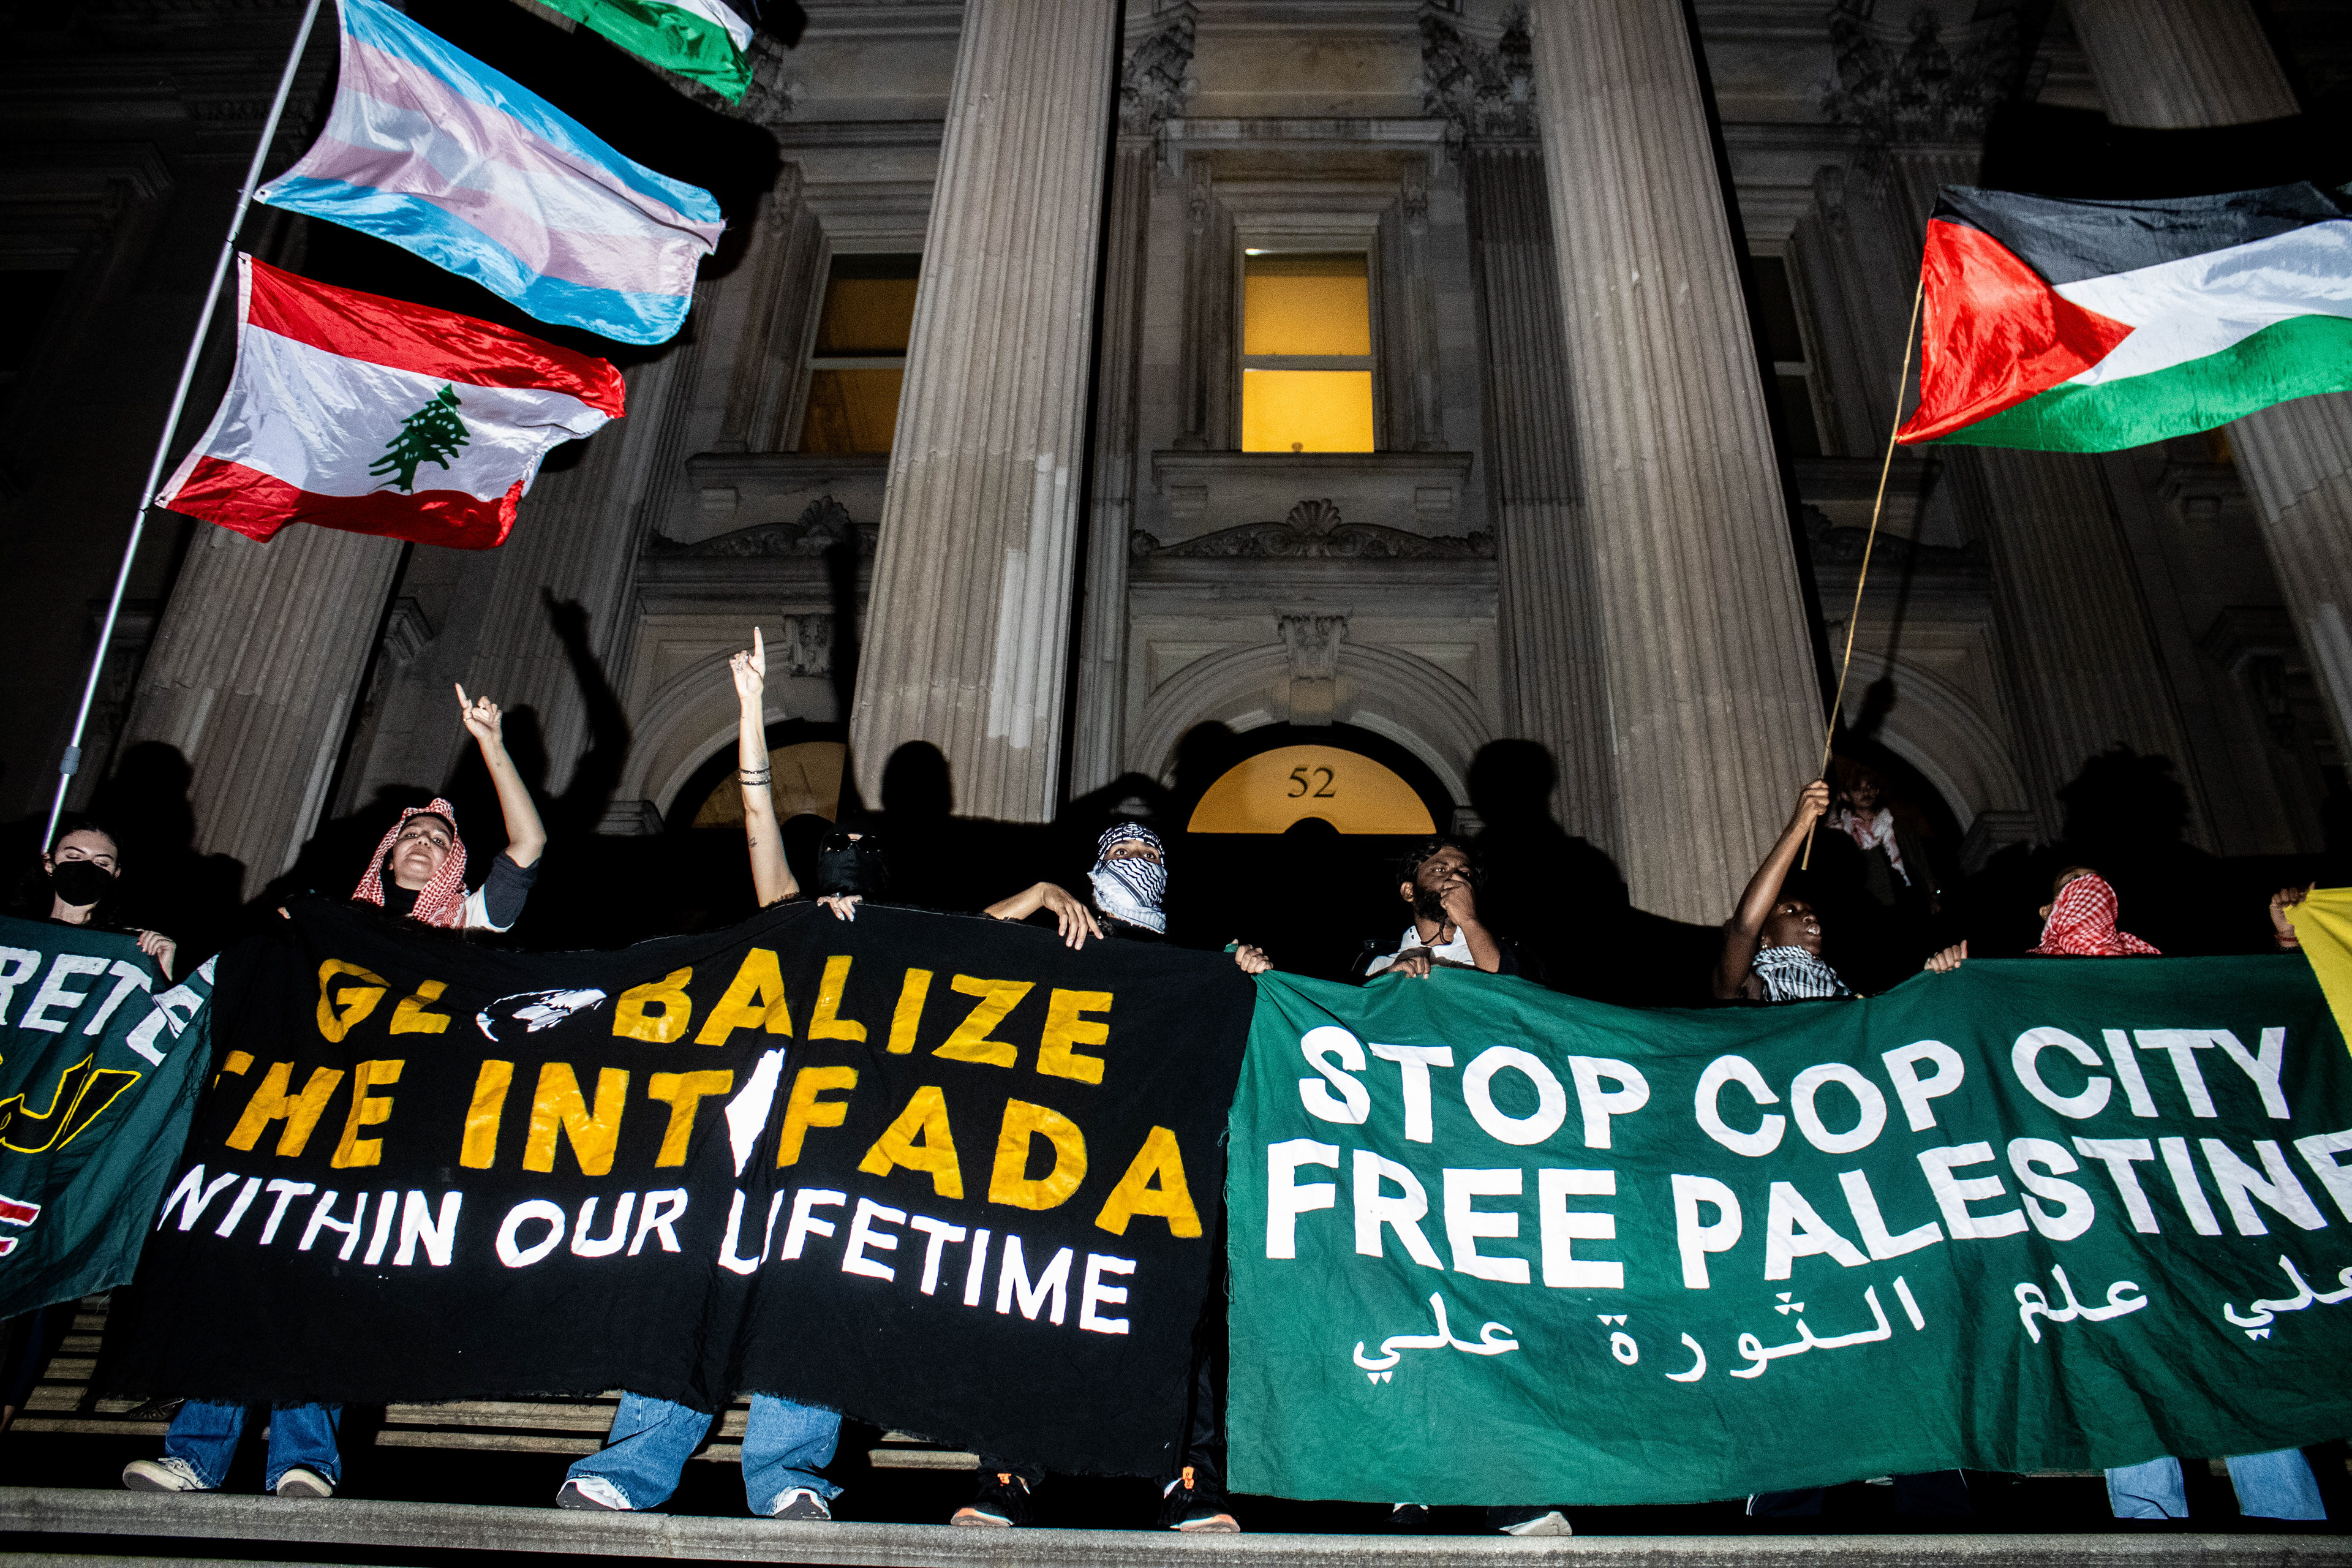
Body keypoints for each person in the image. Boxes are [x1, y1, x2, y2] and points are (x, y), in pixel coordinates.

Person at [123, 687, 545, 1500]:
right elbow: (237, 988)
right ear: (386, 854)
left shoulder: (459, 926)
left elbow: (528, 845)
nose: (423, 843)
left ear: (452, 863)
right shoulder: (317, 925)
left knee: (323, 1282)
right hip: (292, 1120)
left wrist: (491, 745)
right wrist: (172, 962)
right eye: (411, 835)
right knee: (245, 1268)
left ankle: (304, 1456)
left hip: (387, 1132)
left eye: (438, 839)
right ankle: (196, 1453)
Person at [1926, 871, 2323, 1524]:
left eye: (2091, 882)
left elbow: (2259, 1027)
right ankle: (2151, 1532)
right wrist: (1949, 988)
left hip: (2187, 1211)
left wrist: (2286, 949)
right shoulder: (2013, 983)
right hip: (2095, 1223)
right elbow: (1960, 1062)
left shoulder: (2158, 978)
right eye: (2063, 887)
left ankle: (2293, 1530)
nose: (2084, 890)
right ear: (2047, 909)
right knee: (2123, 1376)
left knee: (2237, 1363)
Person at [557, 632, 841, 1520]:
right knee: (692, 1291)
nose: (840, 894)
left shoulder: (898, 960)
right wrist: (754, 711)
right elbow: (759, 820)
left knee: (809, 1302)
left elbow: (979, 943)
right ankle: (635, 1465)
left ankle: (791, 1476)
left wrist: (1034, 897)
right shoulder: (788, 922)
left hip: (831, 1159)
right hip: (736, 1144)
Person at [955, 821, 1261, 1534]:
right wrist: (1035, 895)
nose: (1139, 861)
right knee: (1027, 1302)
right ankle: (1006, 1474)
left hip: (1150, 1168)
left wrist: (1244, 971)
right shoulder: (1056, 934)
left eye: (1152, 853)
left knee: (1178, 1318)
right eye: (1123, 851)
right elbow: (959, 950)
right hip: (1053, 1160)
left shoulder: (1188, 960)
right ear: (1094, 866)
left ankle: (1189, 1480)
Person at [0, 820, 176, 1434]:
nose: (87, 867)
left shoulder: (129, 950)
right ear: (48, 864)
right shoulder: (9, 936)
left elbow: (160, 1047)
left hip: (65, 1142)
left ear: (117, 876)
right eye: (74, 855)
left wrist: (166, 972)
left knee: (40, 1272)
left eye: (102, 861)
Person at [1714, 782, 1850, 1002]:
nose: (1811, 916)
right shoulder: (1755, 985)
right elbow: (1746, 927)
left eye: (1809, 910)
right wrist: (1800, 825)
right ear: (1764, 938)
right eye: (1789, 910)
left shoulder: (1839, 986)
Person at [1362, 837, 1533, 982]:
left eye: (1465, 873)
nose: (1455, 878)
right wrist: (1388, 983)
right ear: (1409, 891)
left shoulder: (1502, 954)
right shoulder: (1374, 964)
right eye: (1440, 870)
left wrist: (1468, 920)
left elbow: (1515, 997)